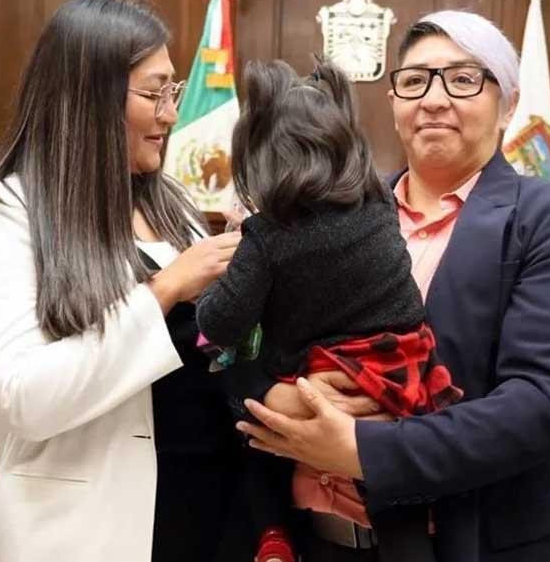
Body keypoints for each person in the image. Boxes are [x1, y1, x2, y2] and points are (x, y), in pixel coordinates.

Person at [236, 9, 550, 562]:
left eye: (463, 79)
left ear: (509, 104)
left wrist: (364, 451)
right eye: (414, 81)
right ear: (393, 102)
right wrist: (277, 395)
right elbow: (236, 344)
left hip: (465, 544)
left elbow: (542, 405)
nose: (434, 100)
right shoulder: (322, 215)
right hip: (310, 541)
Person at [0, 0, 252, 561]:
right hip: (92, 528)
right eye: (153, 93)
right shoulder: (5, 214)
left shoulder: (173, 203)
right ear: (89, 97)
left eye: (173, 91)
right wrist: (165, 290)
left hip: (212, 511)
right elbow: (24, 398)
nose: (171, 114)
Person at [195, 59, 463, 562]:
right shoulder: (380, 205)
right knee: (399, 506)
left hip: (328, 382)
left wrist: (212, 283)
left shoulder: (267, 237)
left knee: (252, 445)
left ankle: (271, 534)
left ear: (259, 157)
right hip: (409, 374)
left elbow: (219, 324)